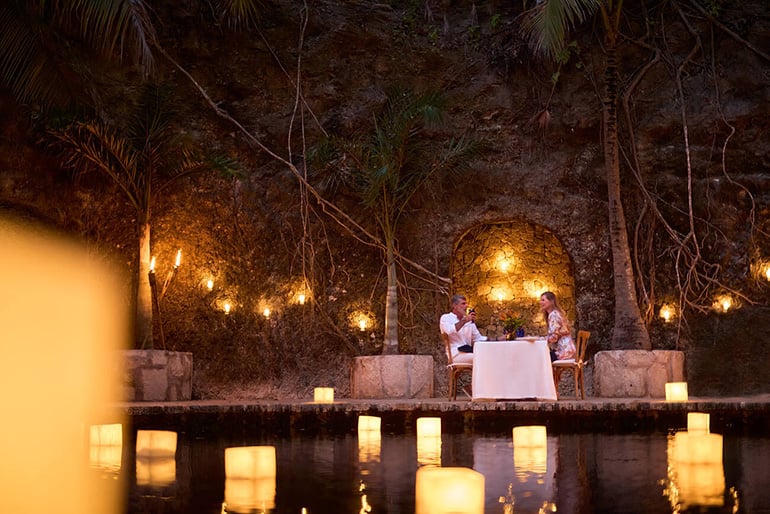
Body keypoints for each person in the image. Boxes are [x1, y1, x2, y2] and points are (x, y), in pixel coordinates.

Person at [439, 294, 487, 364]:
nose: (466, 306)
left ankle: (481, 375)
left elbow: (478, 338)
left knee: (488, 356)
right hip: (455, 354)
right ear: (455, 306)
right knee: (481, 358)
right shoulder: (446, 317)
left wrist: (497, 339)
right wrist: (464, 321)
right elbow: (449, 331)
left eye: (466, 303)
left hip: (468, 351)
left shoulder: (469, 321)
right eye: (463, 304)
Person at [539, 291, 576, 362]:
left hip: (564, 352)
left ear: (551, 301)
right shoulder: (556, 313)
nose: (541, 303)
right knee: (542, 357)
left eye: (543, 300)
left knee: (540, 359)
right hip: (568, 350)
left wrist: (542, 339)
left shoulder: (553, 315)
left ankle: (547, 373)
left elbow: (554, 338)